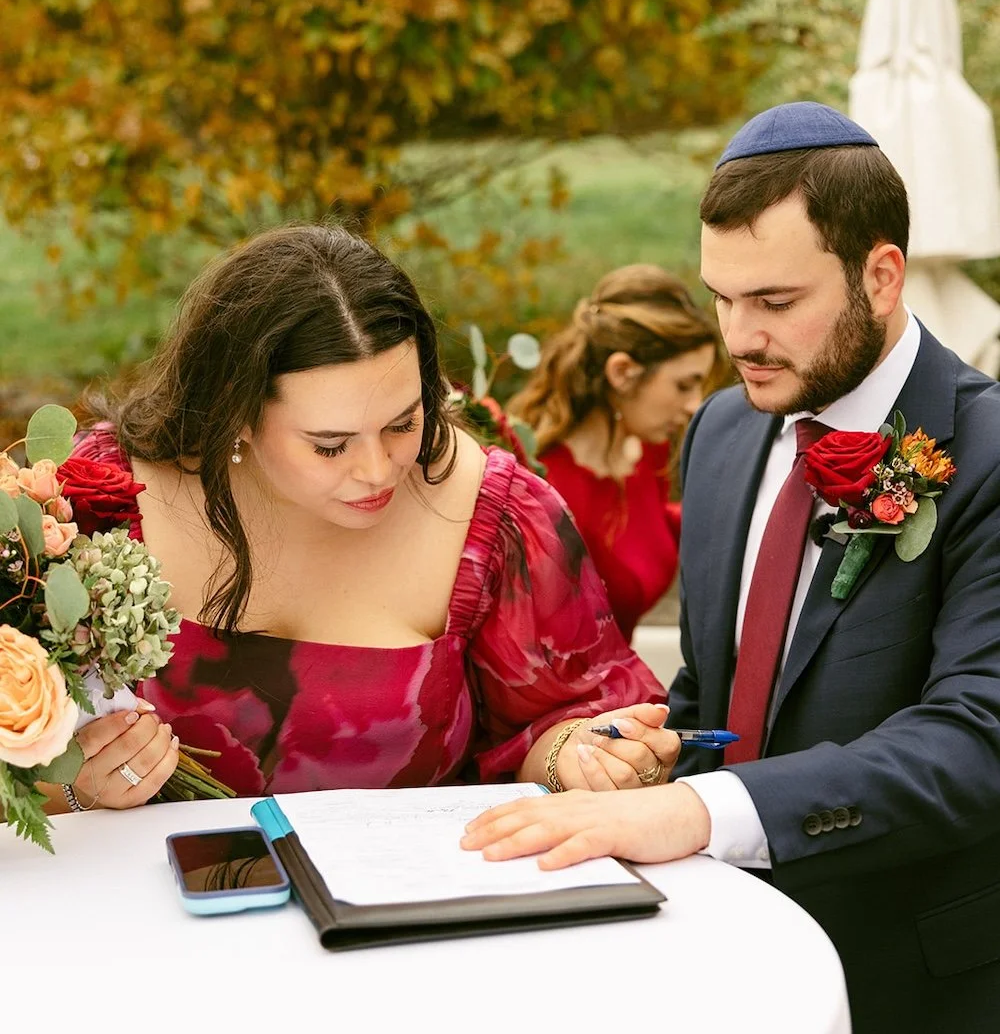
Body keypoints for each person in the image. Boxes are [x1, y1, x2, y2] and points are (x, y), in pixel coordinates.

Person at [462, 102, 1000, 1034]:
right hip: (710, 955)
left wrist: (702, 813)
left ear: (881, 275)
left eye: (776, 302)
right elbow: (722, 684)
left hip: (915, 980)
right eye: (723, 296)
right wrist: (654, 749)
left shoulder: (987, 450)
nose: (738, 336)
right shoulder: (719, 432)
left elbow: (975, 740)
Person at [49, 224, 674, 814]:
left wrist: (581, 756)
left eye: (404, 423)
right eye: (330, 444)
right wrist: (76, 794)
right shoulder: (94, 502)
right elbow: (21, 781)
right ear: (233, 412)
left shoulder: (497, 515)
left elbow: (559, 724)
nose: (378, 470)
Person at [507, 266, 716, 639]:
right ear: (622, 372)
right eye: (684, 385)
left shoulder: (648, 449)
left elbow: (648, 524)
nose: (693, 405)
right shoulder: (544, 492)